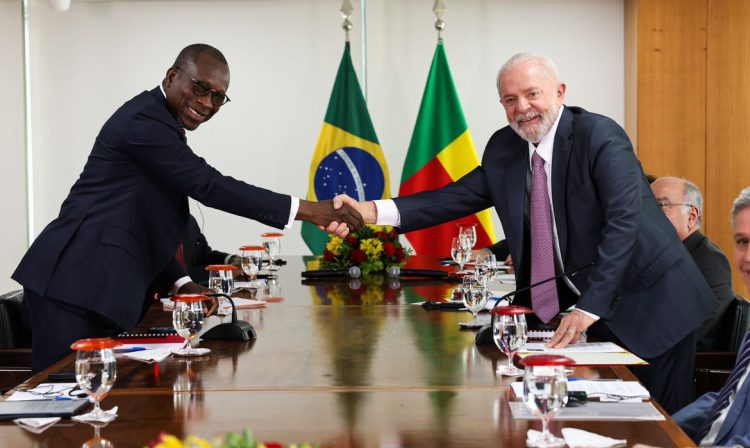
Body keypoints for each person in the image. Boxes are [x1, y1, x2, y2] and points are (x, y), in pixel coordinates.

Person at [334, 53, 714, 413]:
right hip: (598, 313)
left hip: (655, 304)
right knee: (604, 419)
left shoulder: (599, 136)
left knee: (660, 426)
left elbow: (623, 224)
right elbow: (456, 197)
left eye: (533, 94)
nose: (522, 108)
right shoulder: (505, 148)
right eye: (510, 99)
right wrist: (371, 212)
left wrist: (586, 309)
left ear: (560, 93)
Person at [12, 43, 362, 373]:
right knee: (66, 404)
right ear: (171, 77)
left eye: (218, 97)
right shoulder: (144, 122)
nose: (207, 102)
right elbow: (208, 185)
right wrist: (306, 210)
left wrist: (181, 282)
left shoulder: (161, 125)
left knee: (101, 407)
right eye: (200, 87)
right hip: (73, 283)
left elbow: (150, 220)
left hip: (97, 286)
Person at [666, 187, 750, 447]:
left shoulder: (708, 260)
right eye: (743, 242)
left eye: (661, 206)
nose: (747, 258)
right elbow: (730, 399)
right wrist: (664, 429)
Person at [651, 176, 734, 351]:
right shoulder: (657, 256)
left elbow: (692, 330)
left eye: (660, 206)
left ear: (692, 215)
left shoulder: (711, 261)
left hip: (685, 367)